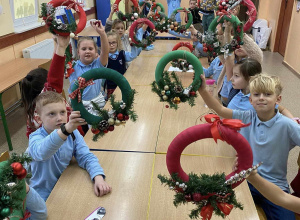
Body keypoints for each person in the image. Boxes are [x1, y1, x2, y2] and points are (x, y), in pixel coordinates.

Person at [198, 73, 300, 219]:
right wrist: (202, 90)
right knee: (218, 209)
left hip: (275, 187)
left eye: (268, 94)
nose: (262, 98)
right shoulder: (246, 116)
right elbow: (220, 110)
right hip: (245, 181)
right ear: (251, 100)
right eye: (257, 94)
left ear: (278, 99)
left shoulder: (287, 125)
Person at [26, 91, 111, 201]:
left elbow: (85, 156)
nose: (59, 118)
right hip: (42, 194)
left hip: (64, 185)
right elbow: (42, 153)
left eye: (62, 112)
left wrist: (98, 177)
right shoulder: (35, 137)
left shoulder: (73, 133)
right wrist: (66, 130)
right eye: (52, 114)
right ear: (39, 119)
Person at [21, 35, 77, 138]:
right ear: (45, 87)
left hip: (49, 146)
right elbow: (55, 75)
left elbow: (30, 137)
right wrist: (61, 47)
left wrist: (56, 44)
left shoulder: (31, 113)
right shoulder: (49, 96)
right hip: (68, 138)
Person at [68, 20, 109, 116]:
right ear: (78, 52)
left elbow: (105, 52)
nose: (87, 51)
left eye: (90, 49)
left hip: (96, 102)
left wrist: (102, 33)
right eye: (83, 49)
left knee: (97, 127)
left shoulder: (98, 64)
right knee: (80, 128)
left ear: (96, 52)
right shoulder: (72, 66)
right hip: (78, 103)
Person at [105, 30, 142, 98]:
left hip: (122, 84)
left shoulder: (122, 53)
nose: (112, 45)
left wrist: (133, 45)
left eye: (114, 42)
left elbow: (133, 55)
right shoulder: (104, 57)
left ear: (117, 43)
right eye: (109, 43)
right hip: (111, 87)